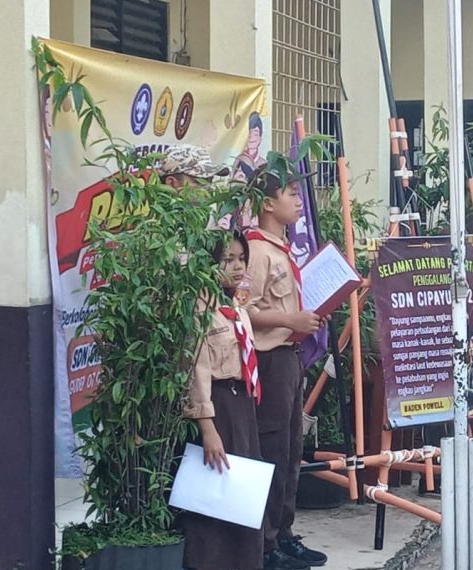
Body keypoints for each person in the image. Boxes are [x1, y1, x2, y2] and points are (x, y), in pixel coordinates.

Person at [244, 167, 326, 570]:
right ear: (266, 203)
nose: (298, 200)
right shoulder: (256, 251)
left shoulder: (282, 248)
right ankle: (265, 544)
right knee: (273, 450)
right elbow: (243, 309)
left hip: (290, 357)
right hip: (270, 359)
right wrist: (289, 320)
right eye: (290, 193)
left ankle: (285, 533)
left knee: (293, 449)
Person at [182, 232, 264, 570]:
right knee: (214, 493)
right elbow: (195, 369)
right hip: (217, 405)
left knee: (244, 494)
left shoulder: (236, 308)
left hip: (241, 403)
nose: (237, 266)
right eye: (227, 259)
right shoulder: (200, 310)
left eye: (241, 259)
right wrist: (207, 428)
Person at [234, 112, 267, 183]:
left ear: (260, 138)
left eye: (255, 134)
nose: (251, 137)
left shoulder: (263, 163)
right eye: (249, 134)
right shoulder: (239, 159)